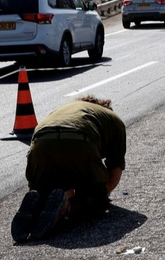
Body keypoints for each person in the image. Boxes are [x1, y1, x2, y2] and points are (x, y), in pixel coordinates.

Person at [11, 95, 126, 243]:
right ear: (106, 108)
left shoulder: (64, 110)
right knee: (96, 199)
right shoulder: (114, 119)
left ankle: (37, 205)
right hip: (79, 142)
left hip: (40, 144)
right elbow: (115, 172)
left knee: (45, 191)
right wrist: (100, 195)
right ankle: (65, 209)